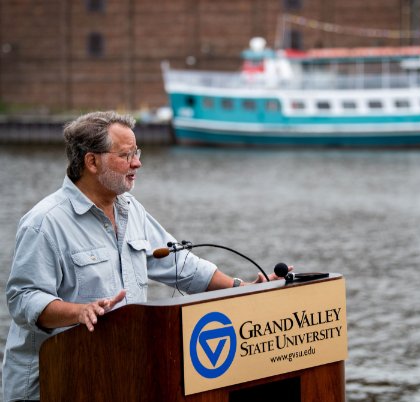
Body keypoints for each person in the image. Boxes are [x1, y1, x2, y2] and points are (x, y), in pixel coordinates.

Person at [2, 111, 286, 402]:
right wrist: (79, 311)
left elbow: (182, 266)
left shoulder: (130, 210)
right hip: (50, 385)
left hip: (112, 378)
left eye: (136, 152)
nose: (137, 163)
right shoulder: (44, 223)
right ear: (91, 161)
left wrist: (245, 289)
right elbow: (23, 299)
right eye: (126, 155)